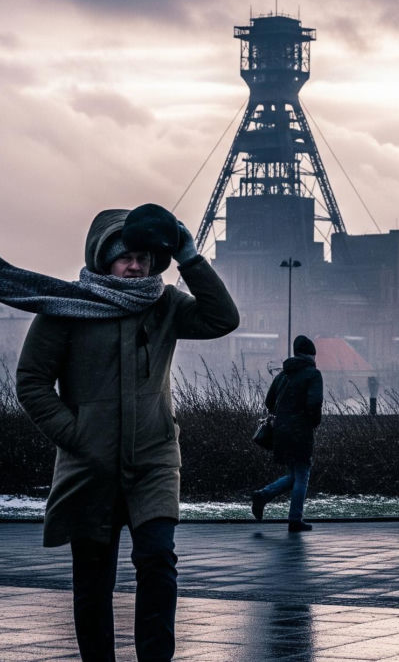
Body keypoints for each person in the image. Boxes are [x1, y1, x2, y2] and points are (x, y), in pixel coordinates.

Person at [10, 205, 240, 662]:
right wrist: (78, 437)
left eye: (143, 257)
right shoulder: (65, 309)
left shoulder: (166, 305)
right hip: (89, 467)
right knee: (93, 578)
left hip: (153, 461)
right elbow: (31, 382)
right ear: (102, 259)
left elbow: (222, 320)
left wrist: (191, 258)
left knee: (158, 563)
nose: (135, 266)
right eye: (124, 257)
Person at [251, 334, 324, 532]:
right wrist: (313, 422)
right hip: (300, 431)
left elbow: (269, 402)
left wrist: (285, 414)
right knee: (302, 474)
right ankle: (295, 519)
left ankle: (263, 496)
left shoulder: (282, 375)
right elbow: (314, 403)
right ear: (311, 355)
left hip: (281, 431)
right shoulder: (313, 374)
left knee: (294, 474)